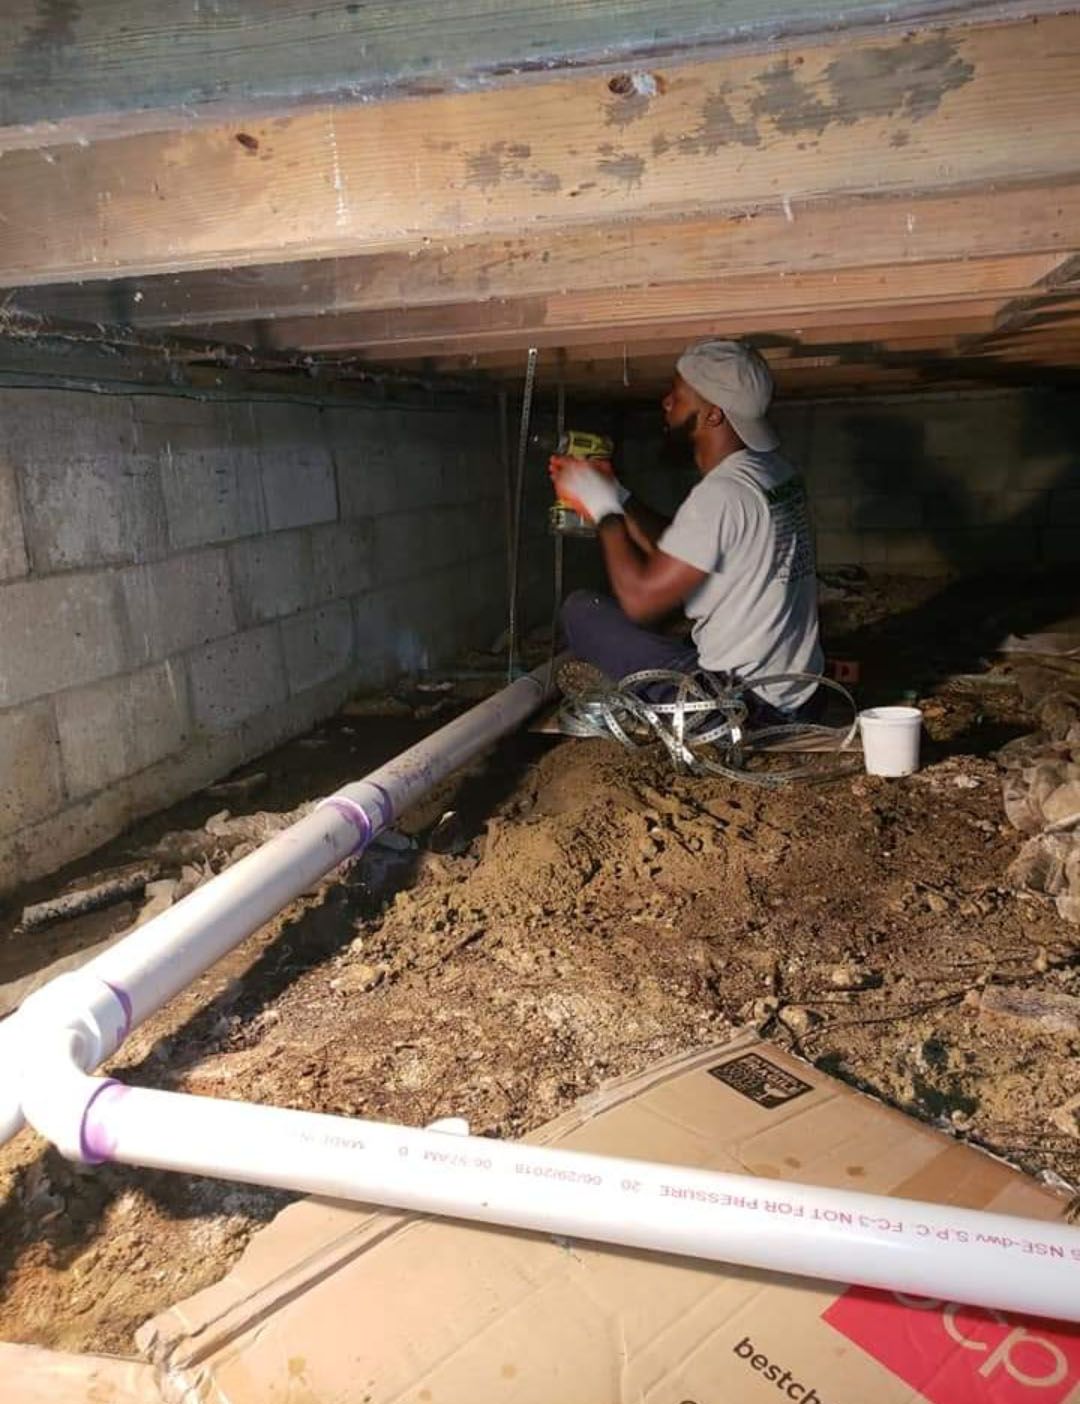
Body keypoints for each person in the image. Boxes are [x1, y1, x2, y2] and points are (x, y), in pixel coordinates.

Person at [549, 338, 824, 722]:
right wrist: (619, 495)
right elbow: (681, 549)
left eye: (677, 396)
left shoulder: (722, 494)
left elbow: (641, 601)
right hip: (797, 692)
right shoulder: (773, 471)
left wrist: (602, 509)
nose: (666, 403)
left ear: (713, 415)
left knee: (582, 612)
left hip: (738, 706)